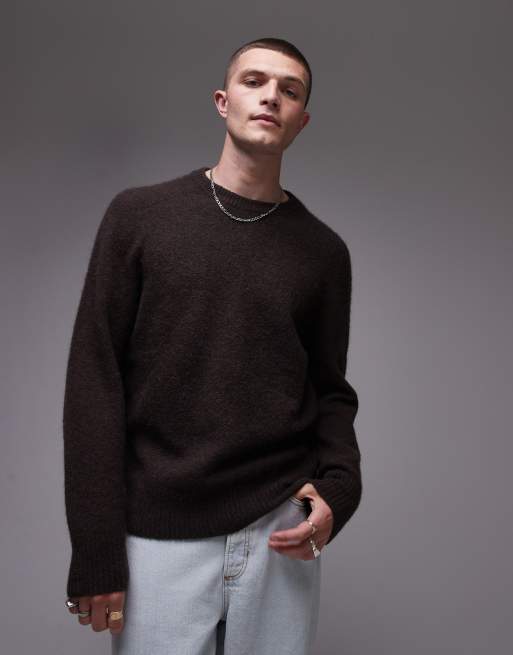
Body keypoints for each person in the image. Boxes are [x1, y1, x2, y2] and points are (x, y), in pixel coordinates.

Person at [63, 36, 362, 654]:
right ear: (223, 102)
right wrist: (96, 548)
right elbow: (94, 383)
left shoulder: (324, 253)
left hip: (279, 526)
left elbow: (330, 391)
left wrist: (340, 488)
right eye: (255, 82)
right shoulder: (139, 217)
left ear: (301, 121)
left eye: (289, 90)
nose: (271, 97)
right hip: (158, 533)